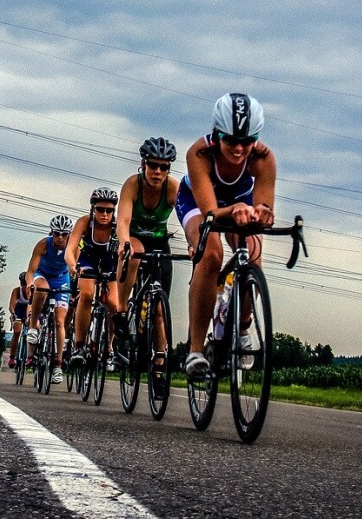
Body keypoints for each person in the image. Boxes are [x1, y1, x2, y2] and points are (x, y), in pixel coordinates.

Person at [174, 93, 276, 377]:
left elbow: (263, 207)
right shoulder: (200, 152)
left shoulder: (264, 158)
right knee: (211, 254)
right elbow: (210, 213)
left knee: (253, 256)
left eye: (248, 141)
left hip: (238, 201)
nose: (240, 148)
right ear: (217, 134)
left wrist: (263, 214)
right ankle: (194, 350)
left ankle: (242, 325)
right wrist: (237, 210)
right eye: (231, 140)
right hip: (197, 202)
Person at [115, 136, 179, 388]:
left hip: (160, 243)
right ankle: (121, 310)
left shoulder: (172, 187)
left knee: (160, 311)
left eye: (164, 167)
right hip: (134, 238)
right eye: (153, 165)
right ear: (143, 164)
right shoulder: (133, 185)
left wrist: (196, 240)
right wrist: (123, 241)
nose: (158, 171)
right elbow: (122, 220)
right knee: (135, 251)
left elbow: (187, 215)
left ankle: (159, 366)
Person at [65, 186, 123, 372]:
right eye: (100, 209)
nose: (104, 214)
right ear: (93, 209)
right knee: (87, 294)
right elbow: (70, 249)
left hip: (110, 262)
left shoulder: (118, 225)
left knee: (114, 303)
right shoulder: (85, 222)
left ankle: (109, 348)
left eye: (109, 210)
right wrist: (73, 265)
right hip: (88, 260)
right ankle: (79, 346)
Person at [24, 215, 74, 384]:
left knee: (60, 322)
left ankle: (58, 364)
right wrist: (29, 284)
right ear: (52, 233)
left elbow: (76, 269)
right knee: (40, 289)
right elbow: (31, 270)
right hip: (42, 275)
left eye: (64, 234)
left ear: (69, 234)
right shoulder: (43, 244)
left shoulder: (73, 247)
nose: (60, 237)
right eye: (57, 233)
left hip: (62, 279)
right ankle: (33, 327)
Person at [6, 272, 30, 369]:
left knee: (35, 330)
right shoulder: (16, 291)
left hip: (29, 311)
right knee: (16, 332)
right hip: (19, 311)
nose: (24, 286)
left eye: (26, 283)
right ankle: (12, 357)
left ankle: (31, 356)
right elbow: (11, 306)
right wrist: (13, 314)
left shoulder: (32, 290)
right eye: (23, 284)